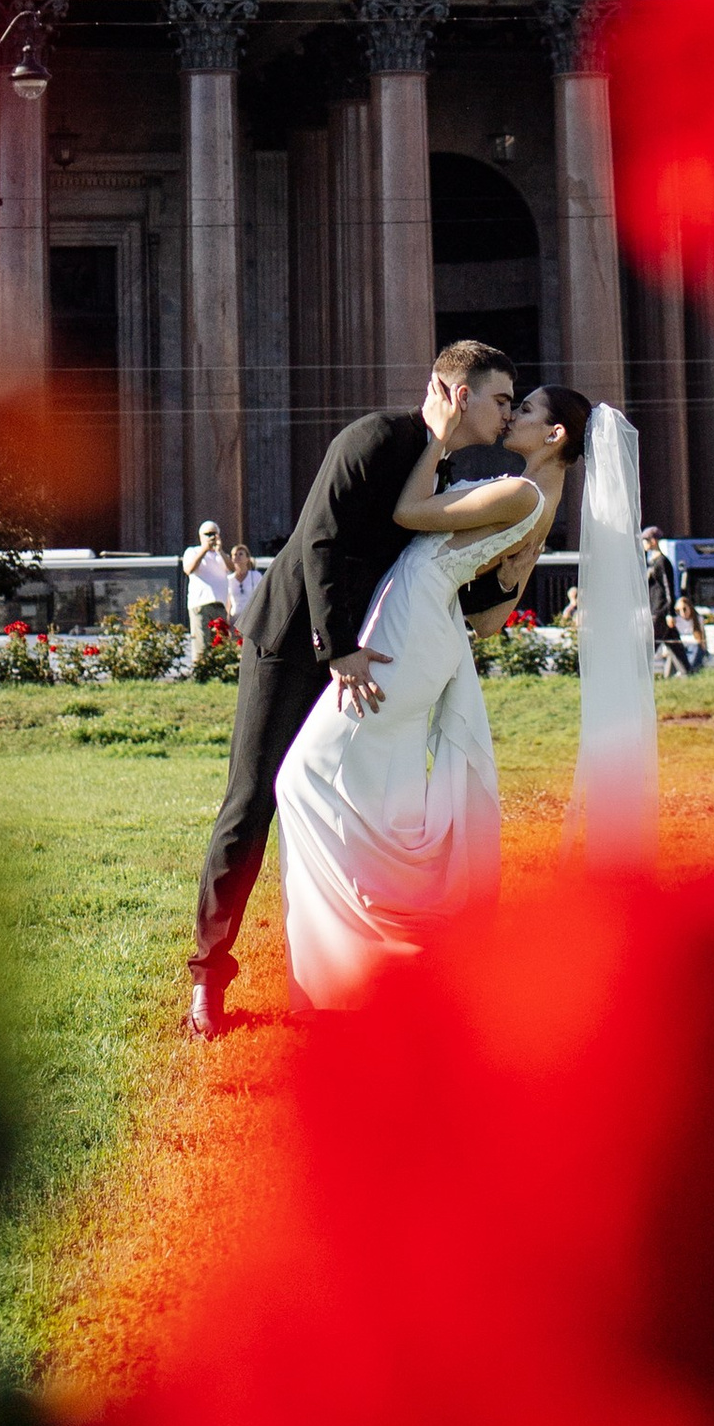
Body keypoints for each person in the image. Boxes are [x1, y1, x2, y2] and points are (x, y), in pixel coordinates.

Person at [186, 340, 516, 1039]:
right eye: (500, 398)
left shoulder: (443, 473)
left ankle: (351, 974)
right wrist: (336, 649)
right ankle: (207, 980)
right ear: (456, 391)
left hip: (363, 661)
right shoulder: (372, 437)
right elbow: (323, 542)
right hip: (294, 644)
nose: (506, 413)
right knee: (252, 801)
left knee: (351, 809)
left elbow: (446, 572)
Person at [275, 385, 592, 1007]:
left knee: (302, 779)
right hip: (428, 625)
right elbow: (491, 621)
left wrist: (442, 437)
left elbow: (409, 512)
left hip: (411, 625)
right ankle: (364, 954)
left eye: (524, 409)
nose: (510, 416)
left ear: (555, 436)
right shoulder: (539, 500)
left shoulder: (521, 491)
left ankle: (379, 955)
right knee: (365, 788)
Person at [181, 520, 237, 668]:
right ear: (201, 536)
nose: (211, 537)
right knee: (202, 641)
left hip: (219, 605)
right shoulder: (192, 551)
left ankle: (220, 669)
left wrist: (220, 551)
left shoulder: (221, 555)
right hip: (200, 604)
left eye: (214, 534)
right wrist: (204, 550)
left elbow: (232, 569)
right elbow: (188, 569)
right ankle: (201, 670)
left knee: (220, 641)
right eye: (208, 534)